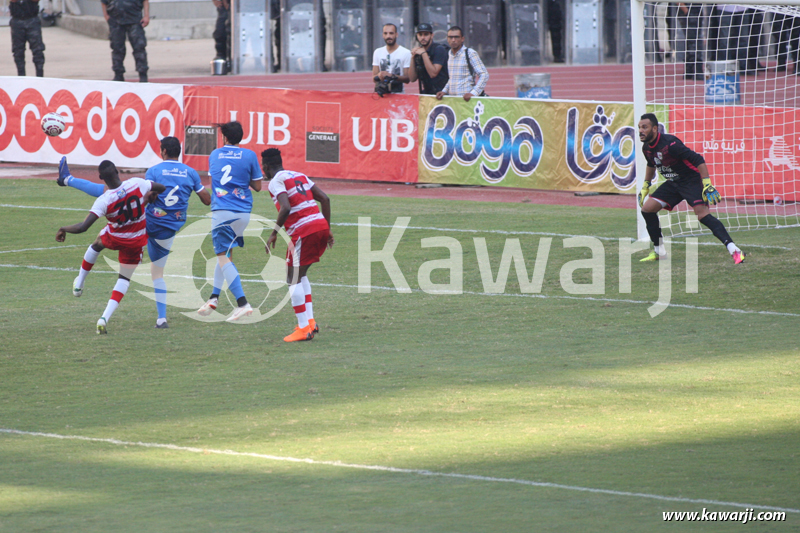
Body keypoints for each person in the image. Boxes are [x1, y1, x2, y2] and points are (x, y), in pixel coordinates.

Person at [57, 139, 212, 328]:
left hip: (145, 224)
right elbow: (206, 200)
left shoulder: (153, 171)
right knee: (157, 273)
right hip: (169, 228)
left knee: (109, 196)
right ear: (179, 151)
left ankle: (67, 179)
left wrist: (148, 199)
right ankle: (161, 319)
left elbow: (145, 194)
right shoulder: (191, 173)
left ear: (163, 151)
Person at [55, 161, 166, 334]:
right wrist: (149, 197)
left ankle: (80, 283)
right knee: (124, 279)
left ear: (101, 177)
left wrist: (63, 229)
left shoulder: (104, 200)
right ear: (117, 170)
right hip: (135, 240)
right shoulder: (137, 183)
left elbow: (83, 227)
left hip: (115, 237)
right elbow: (161, 187)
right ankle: (103, 318)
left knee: (97, 244)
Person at [637, 113, 745, 264]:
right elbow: (651, 164)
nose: (641, 131)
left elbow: (698, 159)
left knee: (702, 216)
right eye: (639, 127)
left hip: (691, 181)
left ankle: (735, 250)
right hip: (673, 182)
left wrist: (707, 184)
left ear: (654, 128)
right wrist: (645, 187)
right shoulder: (646, 147)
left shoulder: (670, 144)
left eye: (645, 127)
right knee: (647, 209)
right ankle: (659, 252)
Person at [261, 148, 333, 343]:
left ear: (266, 167)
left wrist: (274, 233)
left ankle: (303, 329)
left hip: (304, 230)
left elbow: (286, 207)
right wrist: (328, 228)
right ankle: (310, 322)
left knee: (292, 277)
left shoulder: (276, 181)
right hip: (319, 226)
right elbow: (325, 199)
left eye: (262, 167)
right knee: (300, 275)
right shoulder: (299, 175)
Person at [197, 121, 263, 322]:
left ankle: (243, 303)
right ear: (241, 137)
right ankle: (214, 298)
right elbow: (258, 186)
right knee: (225, 255)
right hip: (243, 212)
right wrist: (243, 178)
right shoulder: (250, 155)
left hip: (222, 211)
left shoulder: (215, 154)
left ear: (224, 137)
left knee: (222, 257)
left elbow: (213, 183)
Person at [435, 26, 489, 102]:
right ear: (447, 39)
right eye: (450, 37)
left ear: (462, 39)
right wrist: (444, 91)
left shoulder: (470, 53)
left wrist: (473, 93)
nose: (453, 40)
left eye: (456, 37)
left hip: (467, 101)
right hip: (454, 102)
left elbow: (484, 74)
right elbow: (452, 78)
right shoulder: (449, 54)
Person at [101, 0, 150, 82]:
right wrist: (106, 16)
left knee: (139, 47)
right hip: (115, 21)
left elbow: (145, 1)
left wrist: (146, 16)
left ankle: (142, 74)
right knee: (117, 48)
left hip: (134, 19)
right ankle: (118, 74)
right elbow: (103, 2)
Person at [407, 22, 449, 95]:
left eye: (426, 34)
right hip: (427, 94)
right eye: (420, 35)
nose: (423, 37)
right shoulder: (419, 52)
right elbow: (412, 78)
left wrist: (424, 54)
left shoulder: (439, 49)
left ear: (431, 35)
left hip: (442, 94)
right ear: (417, 36)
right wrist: (413, 58)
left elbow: (433, 73)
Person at [372, 23, 411, 94]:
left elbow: (407, 79)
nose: (388, 36)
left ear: (396, 34)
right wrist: (380, 75)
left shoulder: (406, 52)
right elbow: (374, 78)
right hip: (381, 94)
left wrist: (392, 76)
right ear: (383, 35)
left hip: (399, 94)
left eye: (391, 33)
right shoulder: (377, 52)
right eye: (385, 33)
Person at [9, 0, 45, 77]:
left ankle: (40, 77)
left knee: (38, 51)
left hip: (32, 20)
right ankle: (21, 77)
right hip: (17, 20)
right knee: (18, 52)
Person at [677, 3, 703, 80]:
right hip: (689, 9)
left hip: (696, 8)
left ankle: (689, 71)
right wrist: (686, 10)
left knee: (692, 41)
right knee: (693, 41)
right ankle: (696, 70)